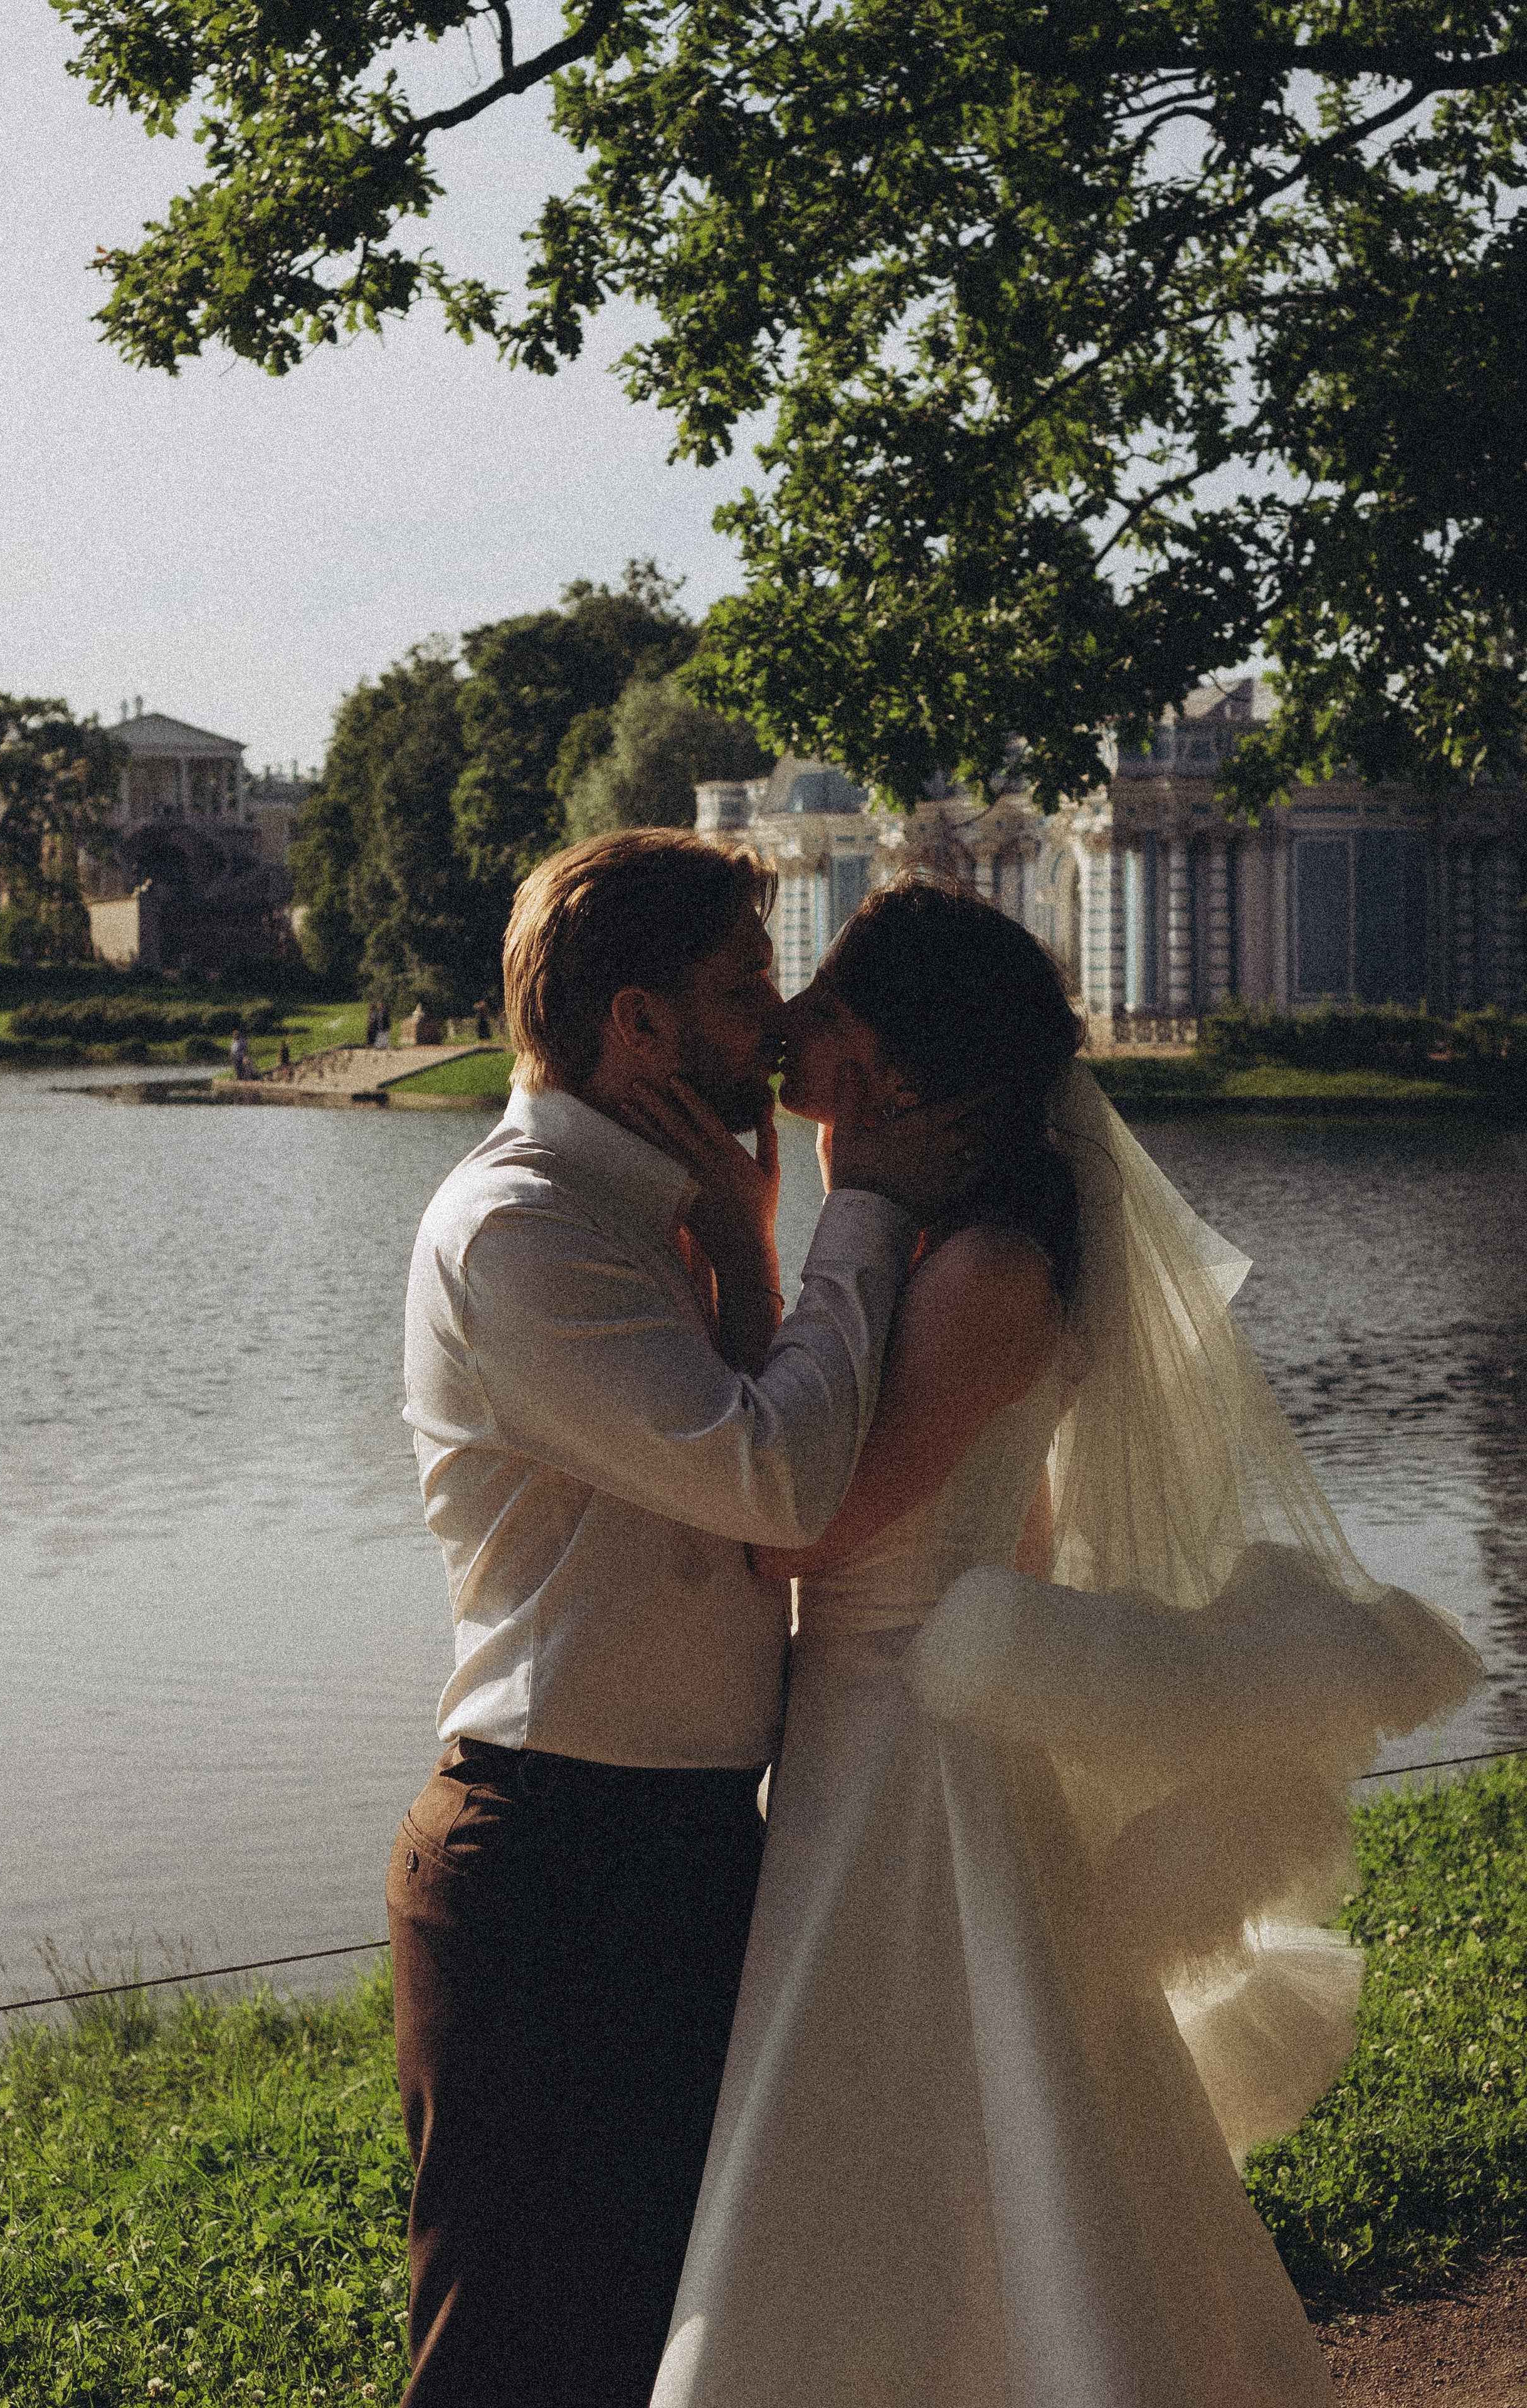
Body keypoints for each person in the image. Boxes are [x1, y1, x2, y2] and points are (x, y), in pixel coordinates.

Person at [648, 874, 1482, 2408]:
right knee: (920, 2106)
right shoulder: (947, 1249)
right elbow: (1013, 1533)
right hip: (878, 1722)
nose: (783, 1026)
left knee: (936, 2099)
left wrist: (777, 1237)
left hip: (907, 1748)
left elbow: (788, 1533)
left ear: (890, 1063)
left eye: (818, 1003)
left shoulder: (980, 1272)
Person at [389, 831, 988, 2408]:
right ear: (638, 1023)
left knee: (668, 2336)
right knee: (513, 2363)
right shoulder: (521, 1231)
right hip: (552, 1862)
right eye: (742, 986)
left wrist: (739, 1246)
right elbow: (777, 1484)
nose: (778, 1021)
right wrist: (858, 1211)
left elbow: (751, 1482)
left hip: (678, 1846)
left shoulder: (655, 1212)